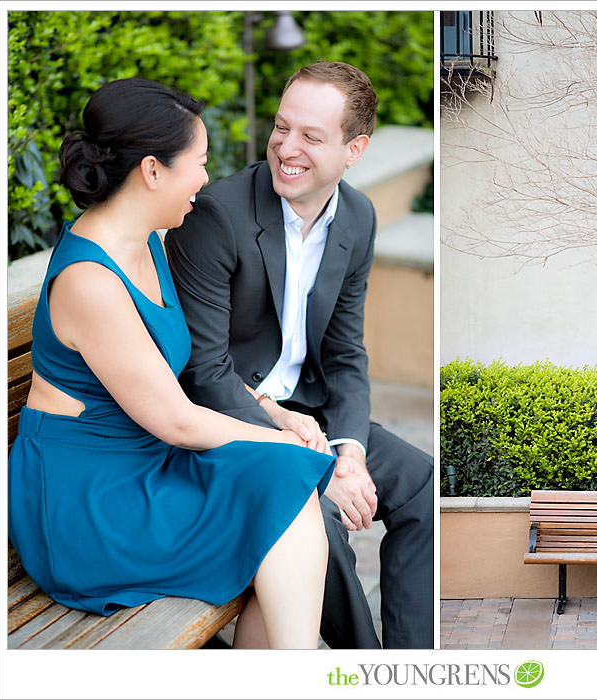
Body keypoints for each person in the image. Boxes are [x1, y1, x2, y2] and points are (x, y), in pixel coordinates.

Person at [7, 78, 336, 650]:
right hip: (91, 506)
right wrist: (281, 444)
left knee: (282, 501)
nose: (207, 179)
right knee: (286, 487)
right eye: (200, 163)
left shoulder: (151, 238)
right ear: (153, 171)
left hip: (149, 470)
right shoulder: (91, 281)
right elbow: (176, 420)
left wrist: (271, 413)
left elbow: (182, 369)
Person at [164, 61, 434, 649]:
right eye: (282, 128)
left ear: (354, 148)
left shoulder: (358, 217)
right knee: (319, 522)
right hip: (231, 424)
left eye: (311, 136)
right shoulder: (218, 216)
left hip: (308, 411)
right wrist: (316, 468)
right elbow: (204, 373)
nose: (287, 147)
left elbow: (344, 353)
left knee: (420, 484)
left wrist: (350, 453)